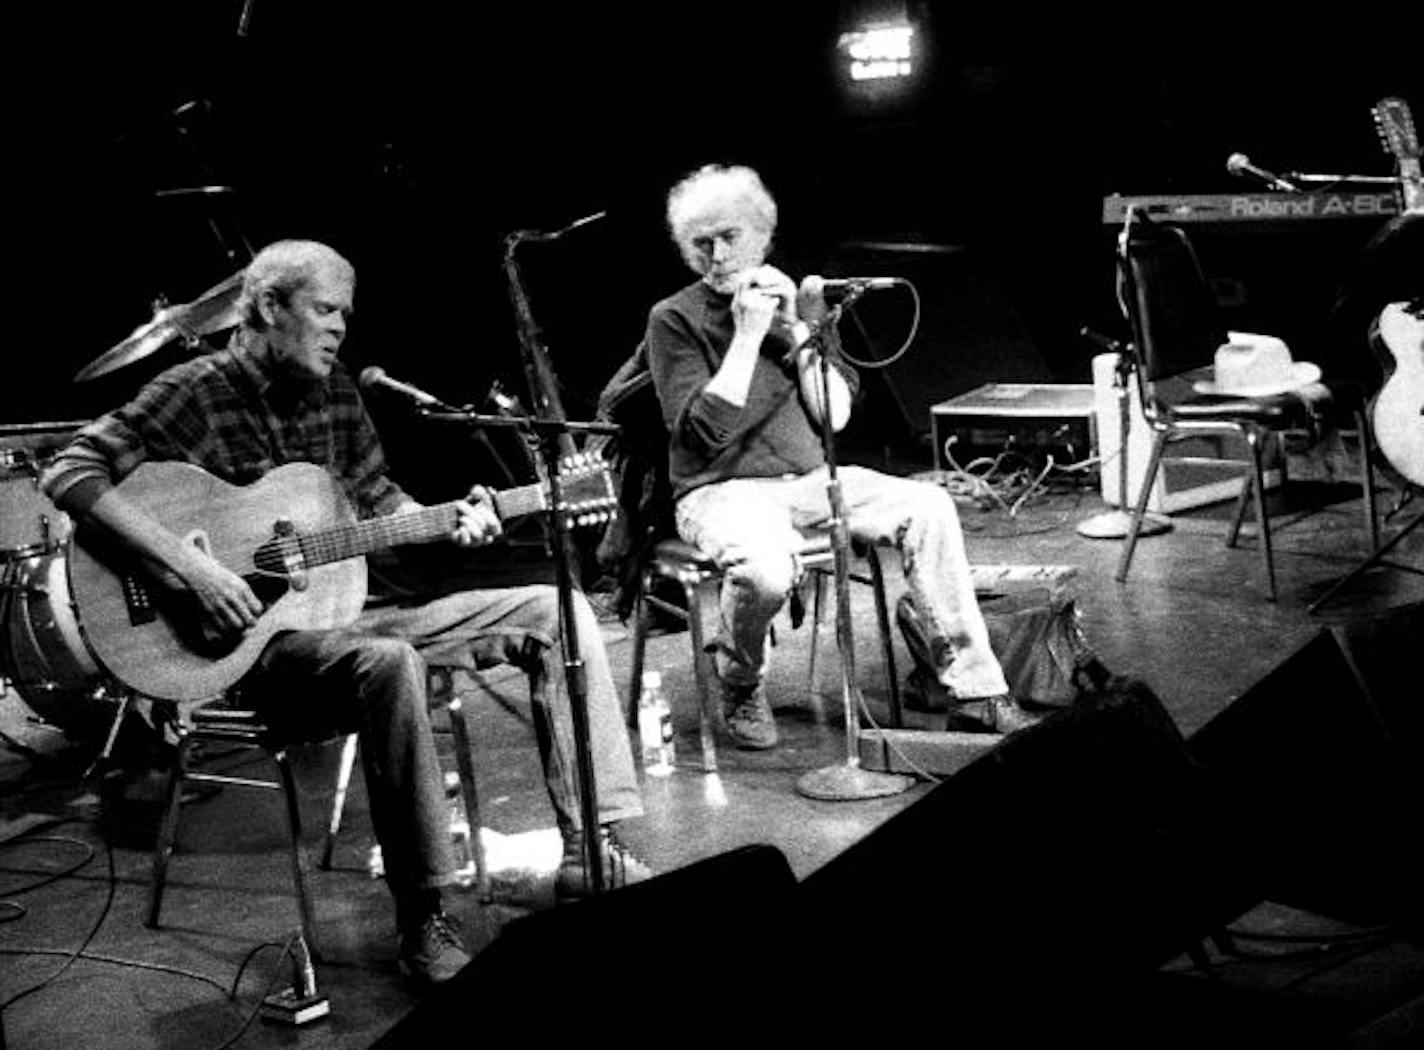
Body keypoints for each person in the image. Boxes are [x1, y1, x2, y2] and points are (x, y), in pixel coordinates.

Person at [42, 239, 650, 987]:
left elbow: (380, 503)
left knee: (555, 611)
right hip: (245, 655)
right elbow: (69, 468)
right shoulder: (194, 390)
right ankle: (423, 915)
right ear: (268, 307)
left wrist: (447, 518)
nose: (338, 330)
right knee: (389, 664)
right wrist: (193, 567)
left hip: (347, 629)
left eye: (345, 315)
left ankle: (592, 847)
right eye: (325, 310)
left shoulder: (338, 395)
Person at [643, 163, 1039, 750]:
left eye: (730, 238)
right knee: (767, 569)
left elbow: (834, 417)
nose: (718, 255)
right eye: (702, 244)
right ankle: (738, 678)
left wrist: (801, 331)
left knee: (927, 506)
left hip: (808, 479)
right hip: (718, 491)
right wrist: (748, 338)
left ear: (762, 237)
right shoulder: (673, 318)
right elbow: (702, 435)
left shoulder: (790, 309)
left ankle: (977, 693)